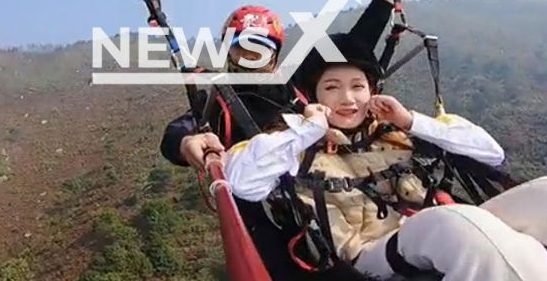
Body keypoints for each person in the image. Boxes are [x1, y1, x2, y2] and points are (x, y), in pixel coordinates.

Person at [159, 0, 410, 281]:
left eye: (259, 49)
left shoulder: (298, 85)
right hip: (275, 220)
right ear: (230, 54)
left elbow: (354, 43)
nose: (251, 58)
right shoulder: (219, 101)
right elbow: (179, 130)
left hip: (334, 196)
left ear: (274, 53)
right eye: (242, 50)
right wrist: (187, 142)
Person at [223, 31, 547, 281]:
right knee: (455, 224)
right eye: (332, 87)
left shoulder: (397, 127)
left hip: (443, 225)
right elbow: (241, 181)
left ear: (372, 90)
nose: (347, 98)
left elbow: (491, 153)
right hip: (371, 254)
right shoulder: (289, 140)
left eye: (358, 86)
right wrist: (309, 129)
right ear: (314, 95)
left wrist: (411, 121)